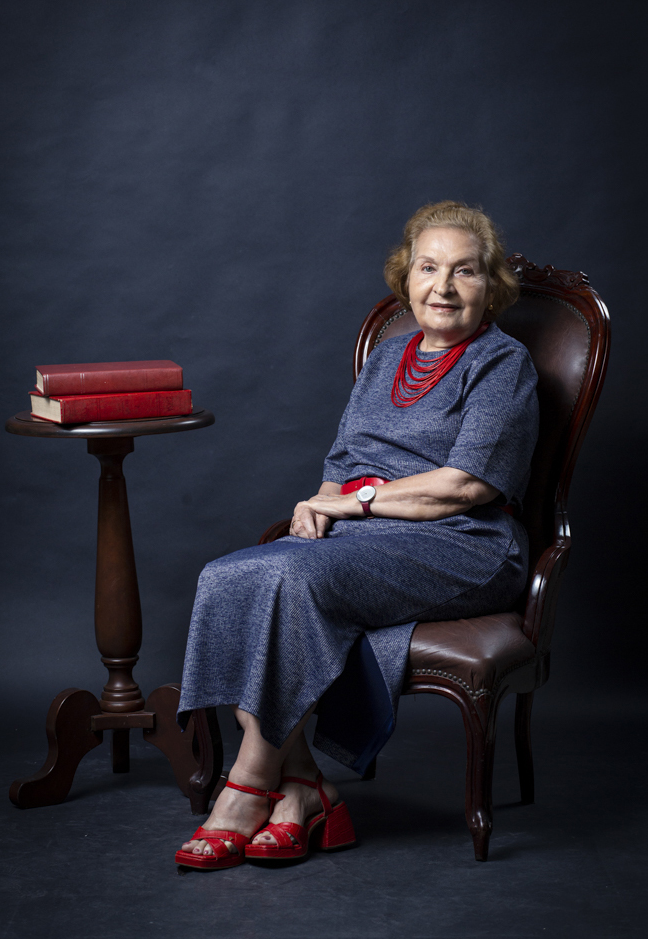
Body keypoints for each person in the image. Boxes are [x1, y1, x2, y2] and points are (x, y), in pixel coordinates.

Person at [175, 201, 539, 870]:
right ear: (406, 277)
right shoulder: (387, 356)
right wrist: (318, 501)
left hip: (467, 544)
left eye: (466, 271)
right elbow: (342, 464)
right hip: (366, 538)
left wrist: (355, 501)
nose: (445, 287)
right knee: (226, 576)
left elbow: (467, 486)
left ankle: (247, 787)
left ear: (492, 285)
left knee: (290, 575)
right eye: (429, 268)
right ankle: (304, 788)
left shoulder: (502, 363)